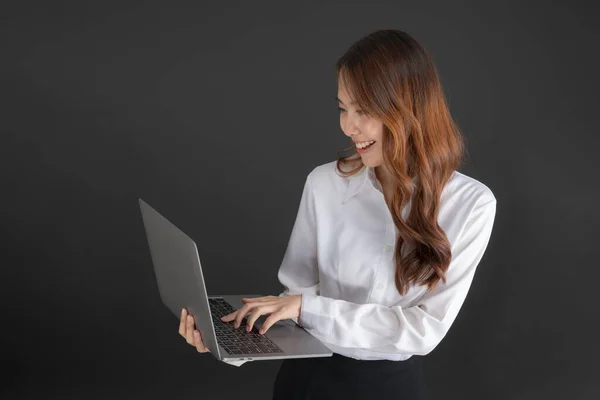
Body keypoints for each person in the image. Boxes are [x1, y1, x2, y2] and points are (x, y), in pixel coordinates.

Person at [178, 28, 497, 400]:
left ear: (410, 109)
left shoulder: (471, 204)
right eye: (343, 108)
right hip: (305, 380)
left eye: (364, 110)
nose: (348, 126)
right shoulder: (324, 183)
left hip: (390, 388)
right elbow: (294, 300)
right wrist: (227, 342)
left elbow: (422, 330)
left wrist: (306, 308)